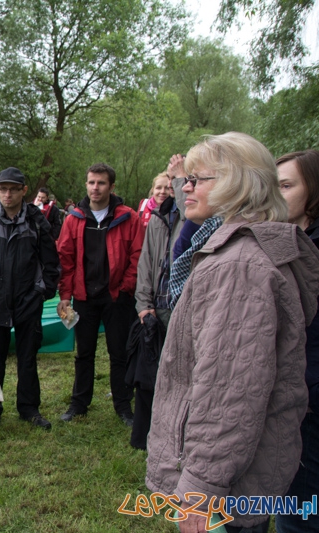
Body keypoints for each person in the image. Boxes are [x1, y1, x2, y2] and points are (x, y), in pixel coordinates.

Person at [145, 133, 319, 533]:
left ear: (236, 183)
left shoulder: (239, 265)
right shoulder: (241, 250)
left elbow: (230, 392)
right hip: (242, 471)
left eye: (197, 179)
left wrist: (200, 489)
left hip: (226, 486)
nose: (184, 187)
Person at [0, 167, 61, 430]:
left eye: (13, 189)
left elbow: (51, 263)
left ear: (24, 191)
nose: (7, 194)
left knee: (28, 358)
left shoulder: (36, 222)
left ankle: (29, 408)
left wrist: (42, 293)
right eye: (3, 189)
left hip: (28, 301)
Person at [57, 163, 141, 426]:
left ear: (111, 186)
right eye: (92, 182)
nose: (96, 188)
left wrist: (126, 287)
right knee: (84, 354)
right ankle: (79, 404)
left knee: (119, 353)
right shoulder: (74, 218)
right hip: (84, 296)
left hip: (117, 296)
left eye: (101, 183)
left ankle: (123, 406)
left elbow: (138, 255)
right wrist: (65, 295)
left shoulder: (128, 217)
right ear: (86, 185)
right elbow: (65, 259)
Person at [275, 149, 319, 533]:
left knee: (300, 511)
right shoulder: (288, 240)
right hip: (295, 393)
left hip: (309, 398)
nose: (276, 194)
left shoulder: (311, 252)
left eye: (286, 186)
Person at [129, 157, 186, 450]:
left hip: (180, 308)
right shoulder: (157, 219)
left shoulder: (192, 219)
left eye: (174, 184)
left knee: (178, 375)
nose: (167, 191)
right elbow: (146, 263)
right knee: (148, 375)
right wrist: (143, 304)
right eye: (162, 186)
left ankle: (174, 435)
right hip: (155, 307)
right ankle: (145, 436)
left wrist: (181, 178)